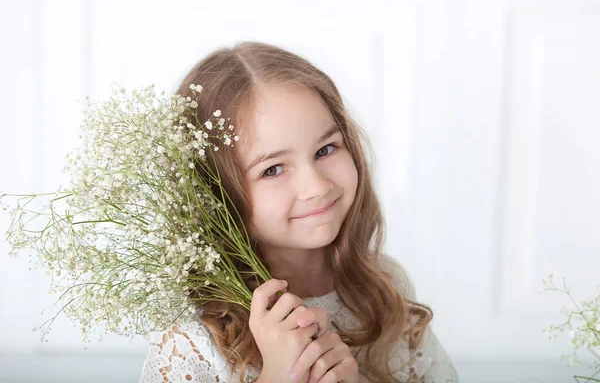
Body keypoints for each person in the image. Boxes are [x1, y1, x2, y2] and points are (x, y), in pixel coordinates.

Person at [138, 41, 459, 383]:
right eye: (273, 169)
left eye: (326, 149)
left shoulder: (382, 284)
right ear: (213, 195)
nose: (317, 186)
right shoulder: (193, 340)